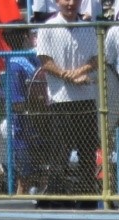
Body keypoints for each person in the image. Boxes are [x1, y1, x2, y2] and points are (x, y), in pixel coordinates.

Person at [32, 0, 99, 199]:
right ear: (57, 2)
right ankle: (56, 195)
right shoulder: (48, 28)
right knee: (60, 152)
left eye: (74, 0)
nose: (70, 3)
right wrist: (66, 75)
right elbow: (45, 61)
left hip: (86, 98)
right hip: (61, 100)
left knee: (87, 151)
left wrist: (78, 72)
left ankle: (87, 194)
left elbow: (96, 58)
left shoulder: (89, 28)